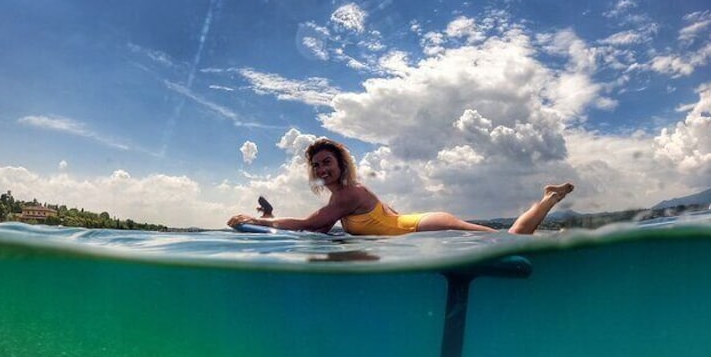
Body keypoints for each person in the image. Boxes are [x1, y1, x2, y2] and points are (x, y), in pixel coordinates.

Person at [227, 138, 574, 236]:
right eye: (316, 165)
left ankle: (547, 199)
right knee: (506, 239)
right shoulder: (346, 196)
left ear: (340, 164)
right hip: (418, 223)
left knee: (510, 241)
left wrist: (258, 220)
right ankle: (548, 200)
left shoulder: (348, 195)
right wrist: (272, 216)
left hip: (429, 226)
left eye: (326, 162)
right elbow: (320, 227)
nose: (321, 169)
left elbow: (306, 224)